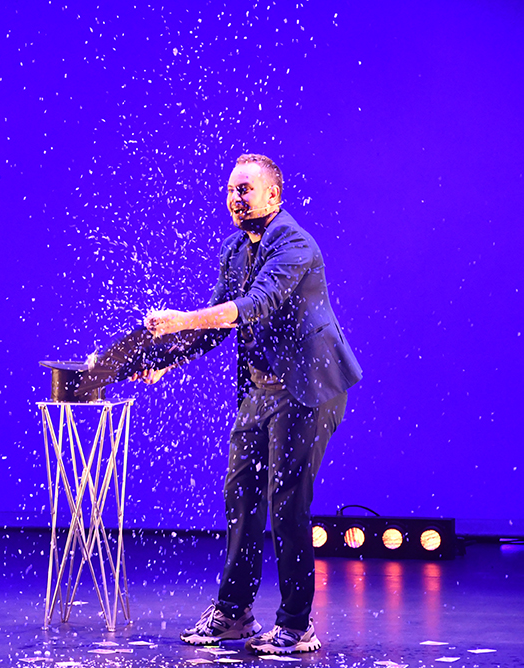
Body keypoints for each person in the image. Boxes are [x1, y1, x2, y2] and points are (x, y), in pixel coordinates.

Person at [135, 154, 362, 654]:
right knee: (241, 497)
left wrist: (178, 319)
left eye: (246, 190)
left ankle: (297, 625)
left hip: (309, 390)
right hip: (262, 390)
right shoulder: (235, 249)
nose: (236, 198)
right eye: (231, 190)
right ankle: (235, 614)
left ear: (274, 196)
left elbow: (252, 307)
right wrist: (166, 361)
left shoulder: (295, 244)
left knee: (287, 506)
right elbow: (221, 328)